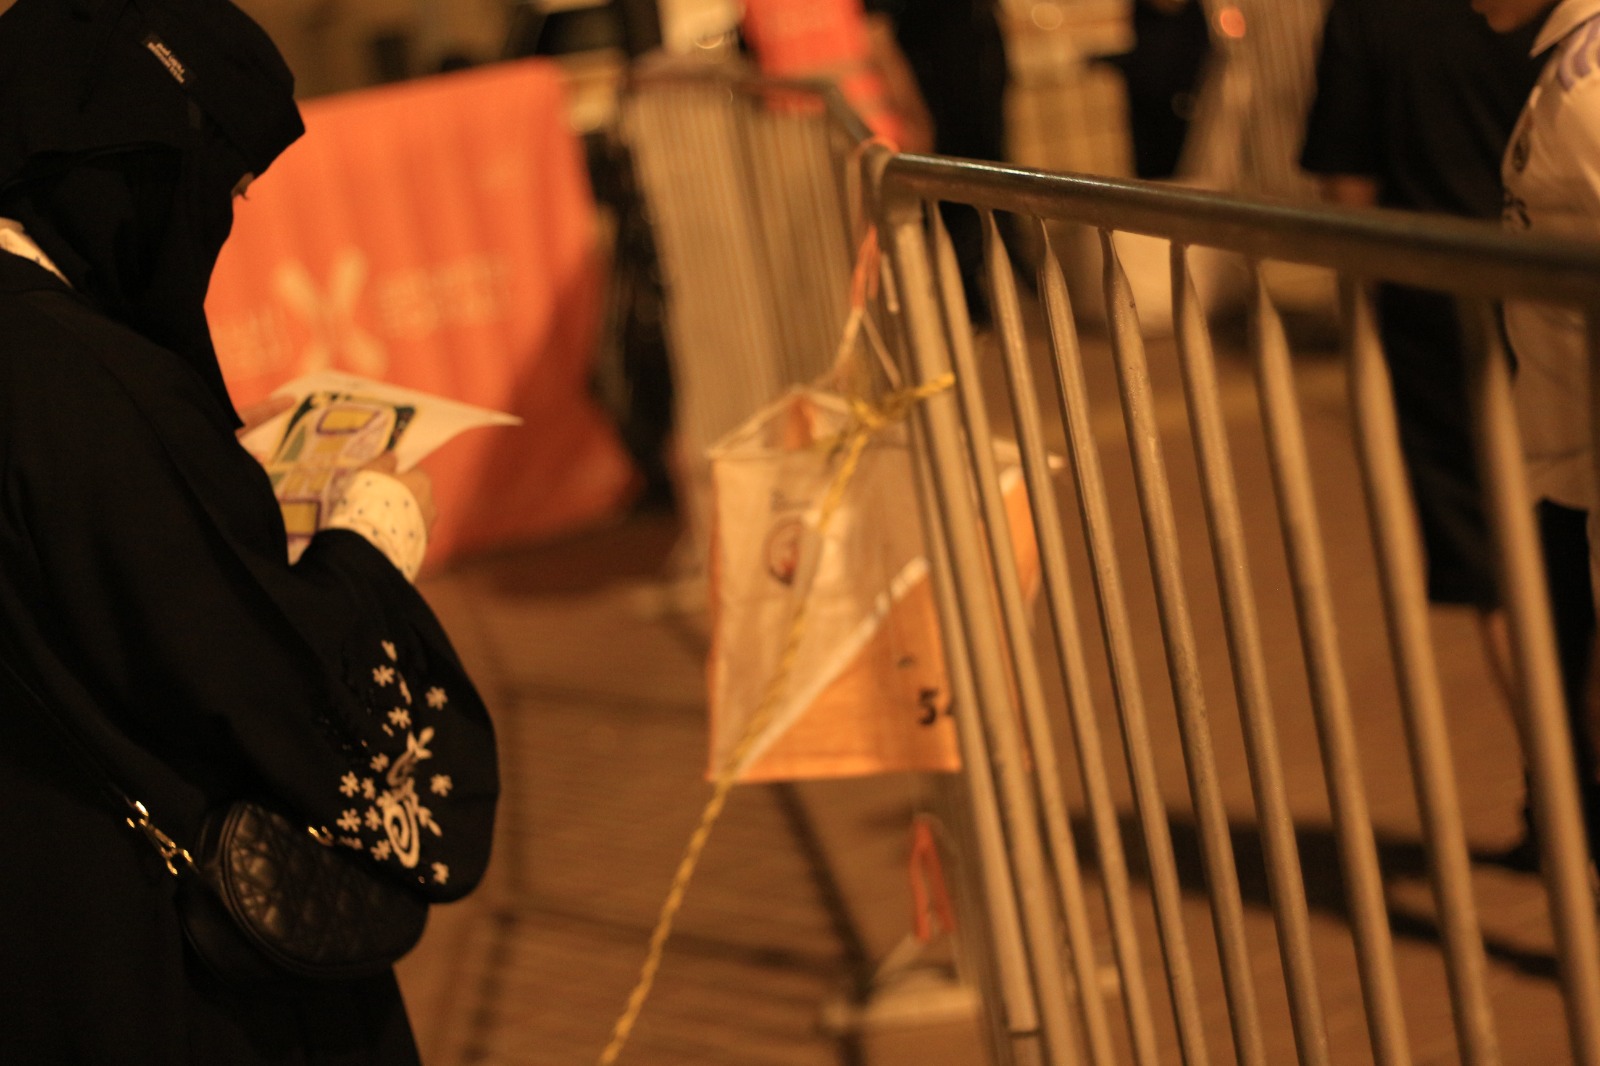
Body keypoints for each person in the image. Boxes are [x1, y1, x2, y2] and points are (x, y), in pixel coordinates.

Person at [0, 1, 499, 1062]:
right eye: (218, 189)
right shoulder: (83, 381)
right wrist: (371, 539)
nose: (222, 222)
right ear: (135, 172)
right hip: (153, 965)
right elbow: (252, 677)